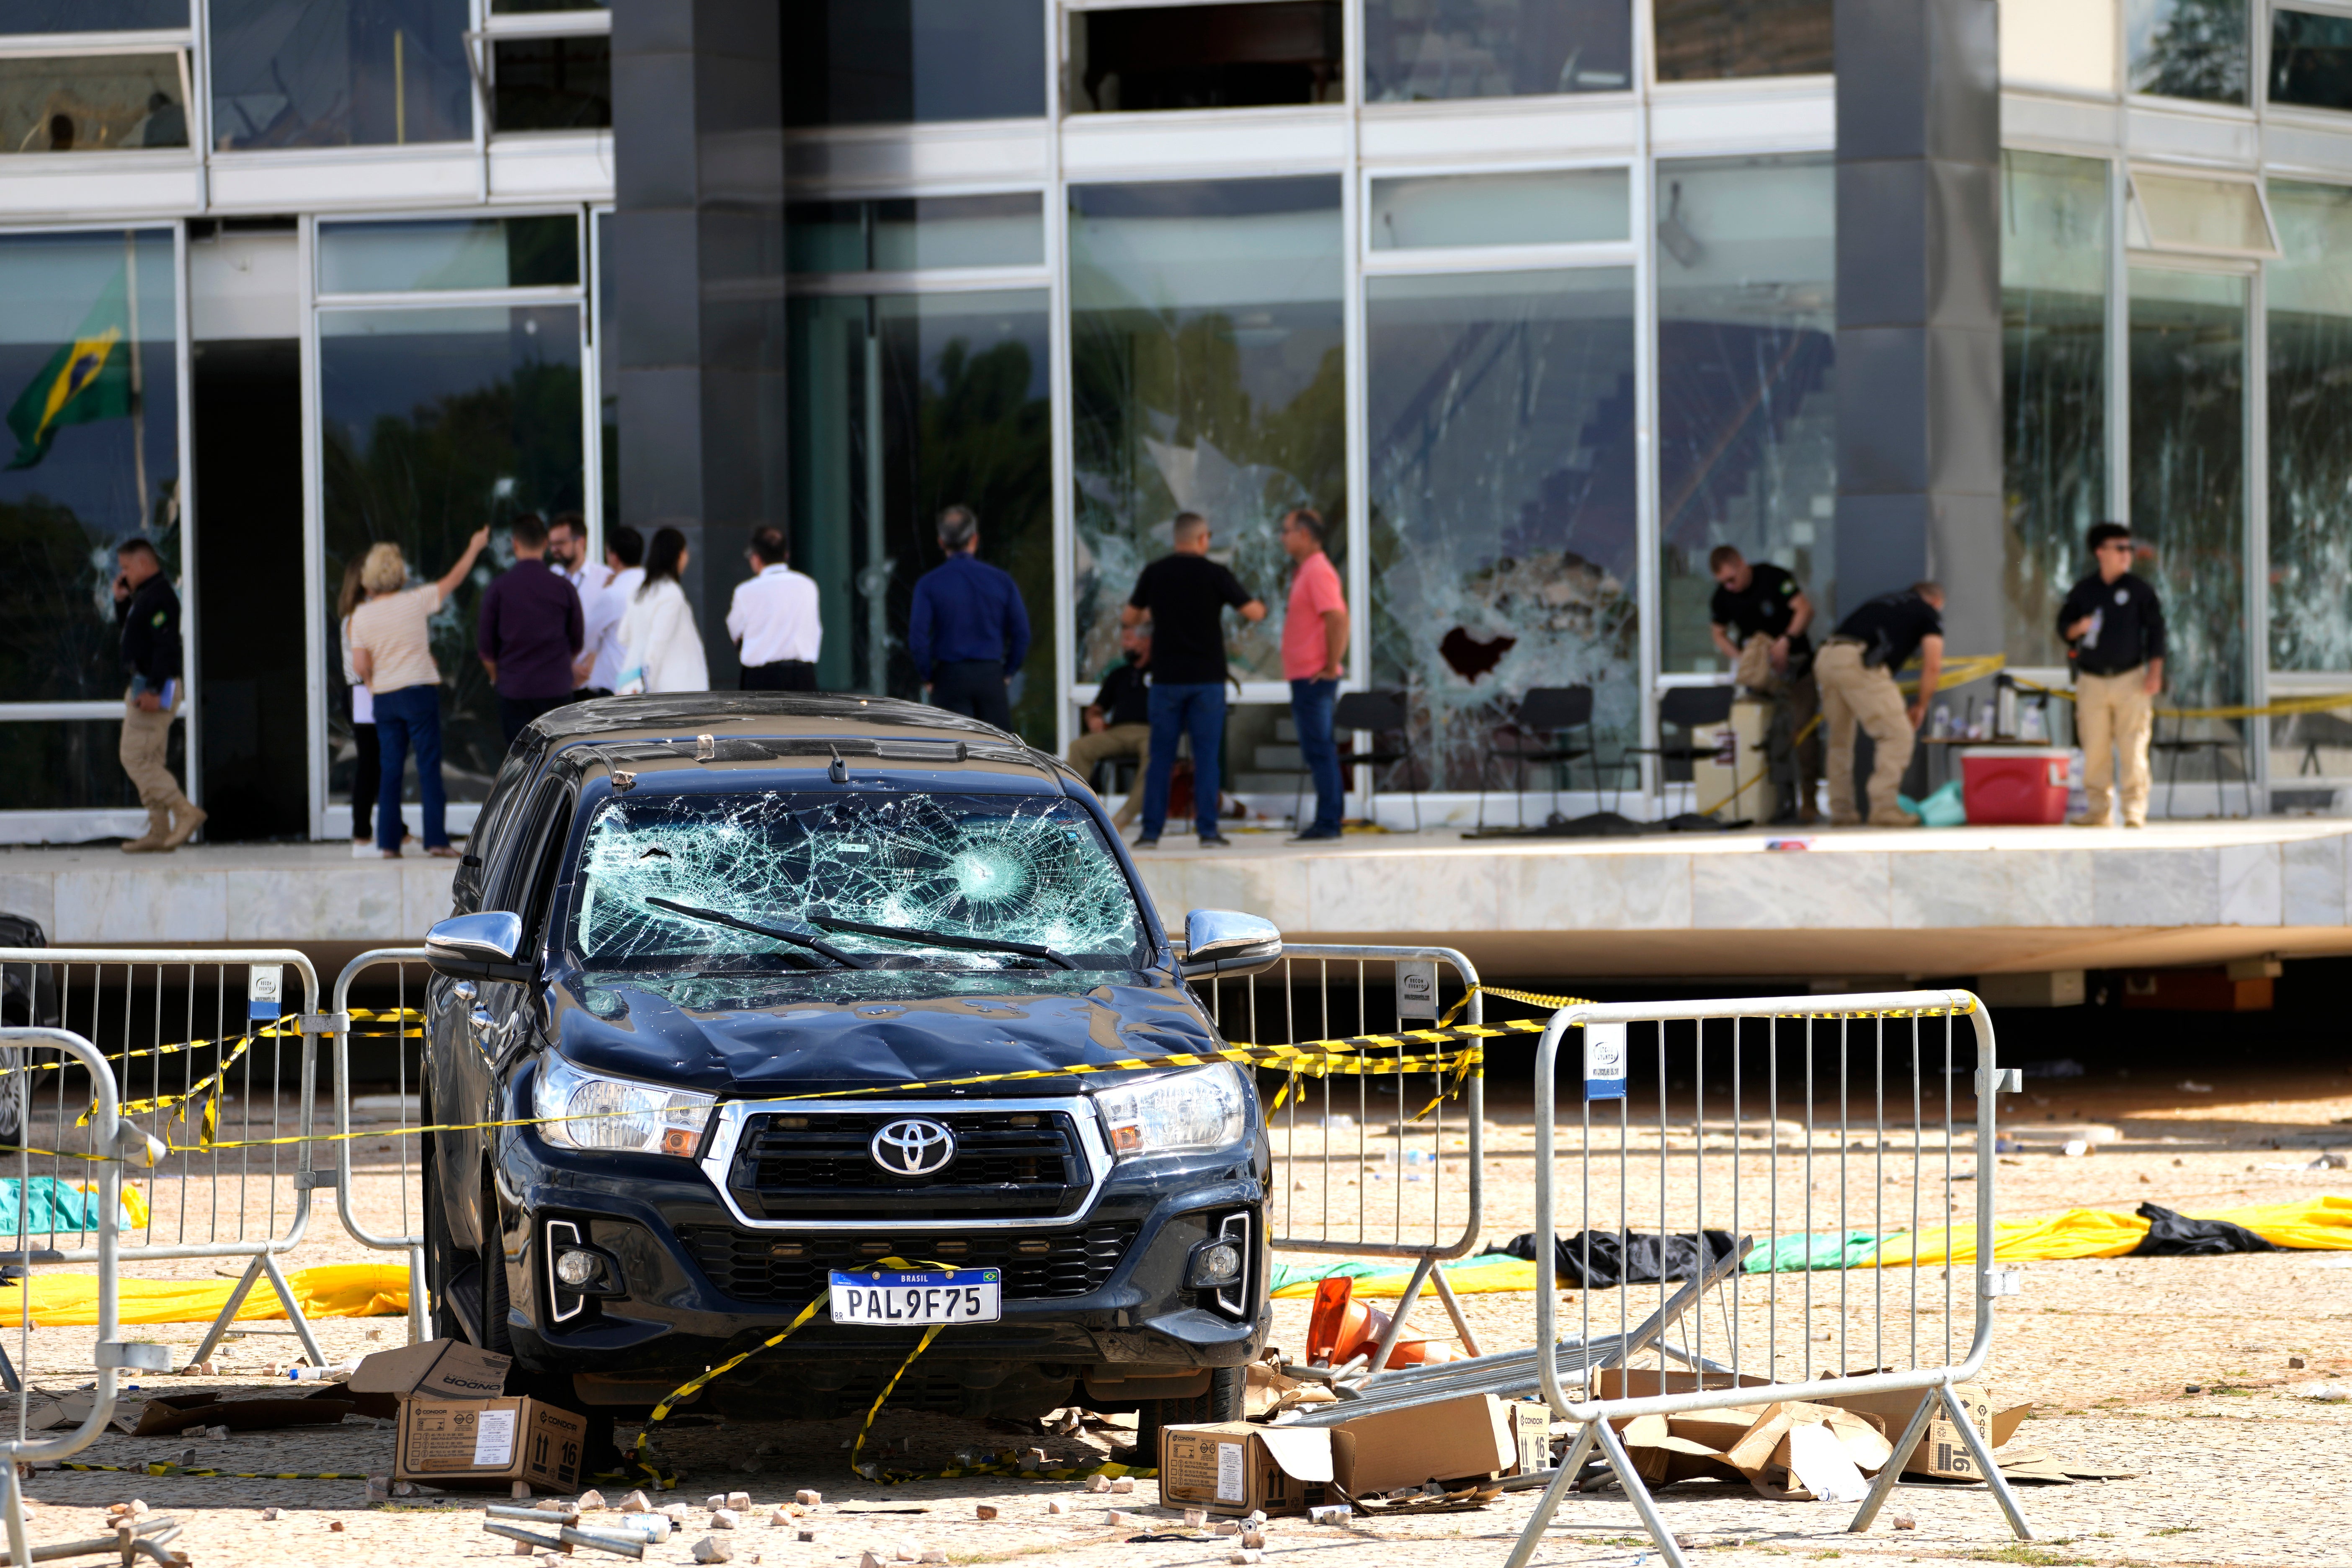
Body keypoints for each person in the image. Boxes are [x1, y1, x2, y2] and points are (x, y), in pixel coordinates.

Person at [1123, 511, 1266, 848]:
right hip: (1207, 680)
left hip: (1166, 680)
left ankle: (1150, 833)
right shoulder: (1216, 573)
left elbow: (1130, 617)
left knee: (1160, 758)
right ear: (1203, 539)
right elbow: (1255, 613)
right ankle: (1209, 832)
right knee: (1206, 759)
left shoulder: (1155, 572)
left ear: (1176, 539)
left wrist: (1156, 611)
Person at [348, 528, 490, 858]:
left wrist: (373, 684)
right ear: (399, 573)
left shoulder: (361, 616)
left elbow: (360, 664)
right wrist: (473, 547)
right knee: (428, 766)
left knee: (390, 770)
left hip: (385, 697)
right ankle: (436, 841)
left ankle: (388, 845)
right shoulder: (415, 600)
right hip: (417, 692)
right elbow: (454, 579)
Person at [2061, 522, 2166, 829]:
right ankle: (2098, 811)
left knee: (2133, 747)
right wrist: (2078, 628)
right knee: (2095, 749)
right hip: (2092, 679)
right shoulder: (2084, 591)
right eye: (2119, 548)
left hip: (2130, 678)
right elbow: (2064, 628)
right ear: (2100, 552)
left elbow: (2157, 633)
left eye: (2129, 548)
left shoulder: (2140, 591)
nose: (2126, 554)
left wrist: (2155, 672)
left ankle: (2134, 810)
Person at [1815, 581, 1944, 828]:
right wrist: (1921, 705)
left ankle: (1842, 812)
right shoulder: (1928, 612)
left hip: (1827, 656)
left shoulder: (1886, 600)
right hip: (1859, 661)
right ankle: (1884, 808)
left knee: (1839, 741)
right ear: (1936, 601)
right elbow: (1933, 665)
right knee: (1898, 734)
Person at [1708, 544, 1821, 825]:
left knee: (1803, 733)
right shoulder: (1723, 597)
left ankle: (1809, 802)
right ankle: (1772, 803)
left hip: (1795, 667)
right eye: (1724, 582)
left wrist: (1786, 641)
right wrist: (1742, 658)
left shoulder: (1773, 578)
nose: (1730, 587)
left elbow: (1805, 610)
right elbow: (1718, 633)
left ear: (1741, 564)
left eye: (1732, 579)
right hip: (1762, 676)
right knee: (1762, 737)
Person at [110, 537, 202, 853]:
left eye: (126, 568)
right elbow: (134, 637)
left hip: (154, 687)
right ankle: (159, 831)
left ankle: (185, 812)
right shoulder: (146, 596)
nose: (123, 574)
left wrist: (153, 689)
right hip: (148, 684)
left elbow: (166, 647)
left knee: (134, 757)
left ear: (143, 564)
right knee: (150, 759)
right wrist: (122, 601)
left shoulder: (161, 597)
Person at [909, 505, 1029, 730]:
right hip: (990, 676)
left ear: (941, 542)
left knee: (952, 746)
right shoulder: (1001, 580)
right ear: (975, 539)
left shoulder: (929, 584)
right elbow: (1022, 634)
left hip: (949, 677)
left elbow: (918, 639)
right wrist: (1007, 672)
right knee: (997, 747)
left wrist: (928, 676)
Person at [477, 513, 584, 745]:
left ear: (515, 544)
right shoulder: (564, 588)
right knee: (558, 758)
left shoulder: (499, 588)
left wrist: (497, 679)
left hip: (514, 691)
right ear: (545, 544)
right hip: (556, 690)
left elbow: (486, 650)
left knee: (520, 761)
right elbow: (577, 642)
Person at [1279, 508, 1349, 842]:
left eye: (1286, 531)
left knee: (1320, 750)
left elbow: (1338, 619)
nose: (1283, 538)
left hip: (1315, 678)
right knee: (1317, 750)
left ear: (1305, 534)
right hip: (1306, 677)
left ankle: (1329, 821)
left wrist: (1330, 666)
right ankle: (1328, 819)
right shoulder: (1307, 571)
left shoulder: (1319, 571)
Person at [339, 560, 406, 856]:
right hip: (364, 694)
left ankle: (395, 829)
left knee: (380, 764)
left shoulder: (359, 615)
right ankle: (362, 835)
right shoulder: (358, 617)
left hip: (366, 693)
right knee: (370, 765)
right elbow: (365, 663)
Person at [1068, 622, 1153, 829]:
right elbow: (1096, 708)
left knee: (1156, 752)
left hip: (1151, 732)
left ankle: (1121, 821)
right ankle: (1070, 814)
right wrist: (1094, 718)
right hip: (1117, 733)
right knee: (1080, 747)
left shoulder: (1164, 672)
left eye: (1129, 640)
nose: (1125, 645)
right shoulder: (1118, 674)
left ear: (1146, 642)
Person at [728, 525, 823, 691]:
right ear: (786, 555)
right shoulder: (808, 586)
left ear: (756, 558)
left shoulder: (745, 591)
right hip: (802, 676)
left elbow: (736, 632)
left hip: (761, 678)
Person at [618, 525, 710, 694]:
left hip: (631, 680)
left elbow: (623, 636)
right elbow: (658, 643)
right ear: (679, 555)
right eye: (685, 552)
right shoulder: (671, 593)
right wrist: (645, 686)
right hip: (671, 689)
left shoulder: (639, 592)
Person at [579, 525, 644, 697]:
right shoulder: (654, 588)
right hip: (649, 684)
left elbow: (587, 640)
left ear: (614, 557)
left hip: (616, 686)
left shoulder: (612, 594)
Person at [545, 513, 591, 594]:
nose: (554, 549)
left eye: (560, 543)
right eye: (552, 544)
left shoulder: (604, 579)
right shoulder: (548, 577)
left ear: (581, 542)